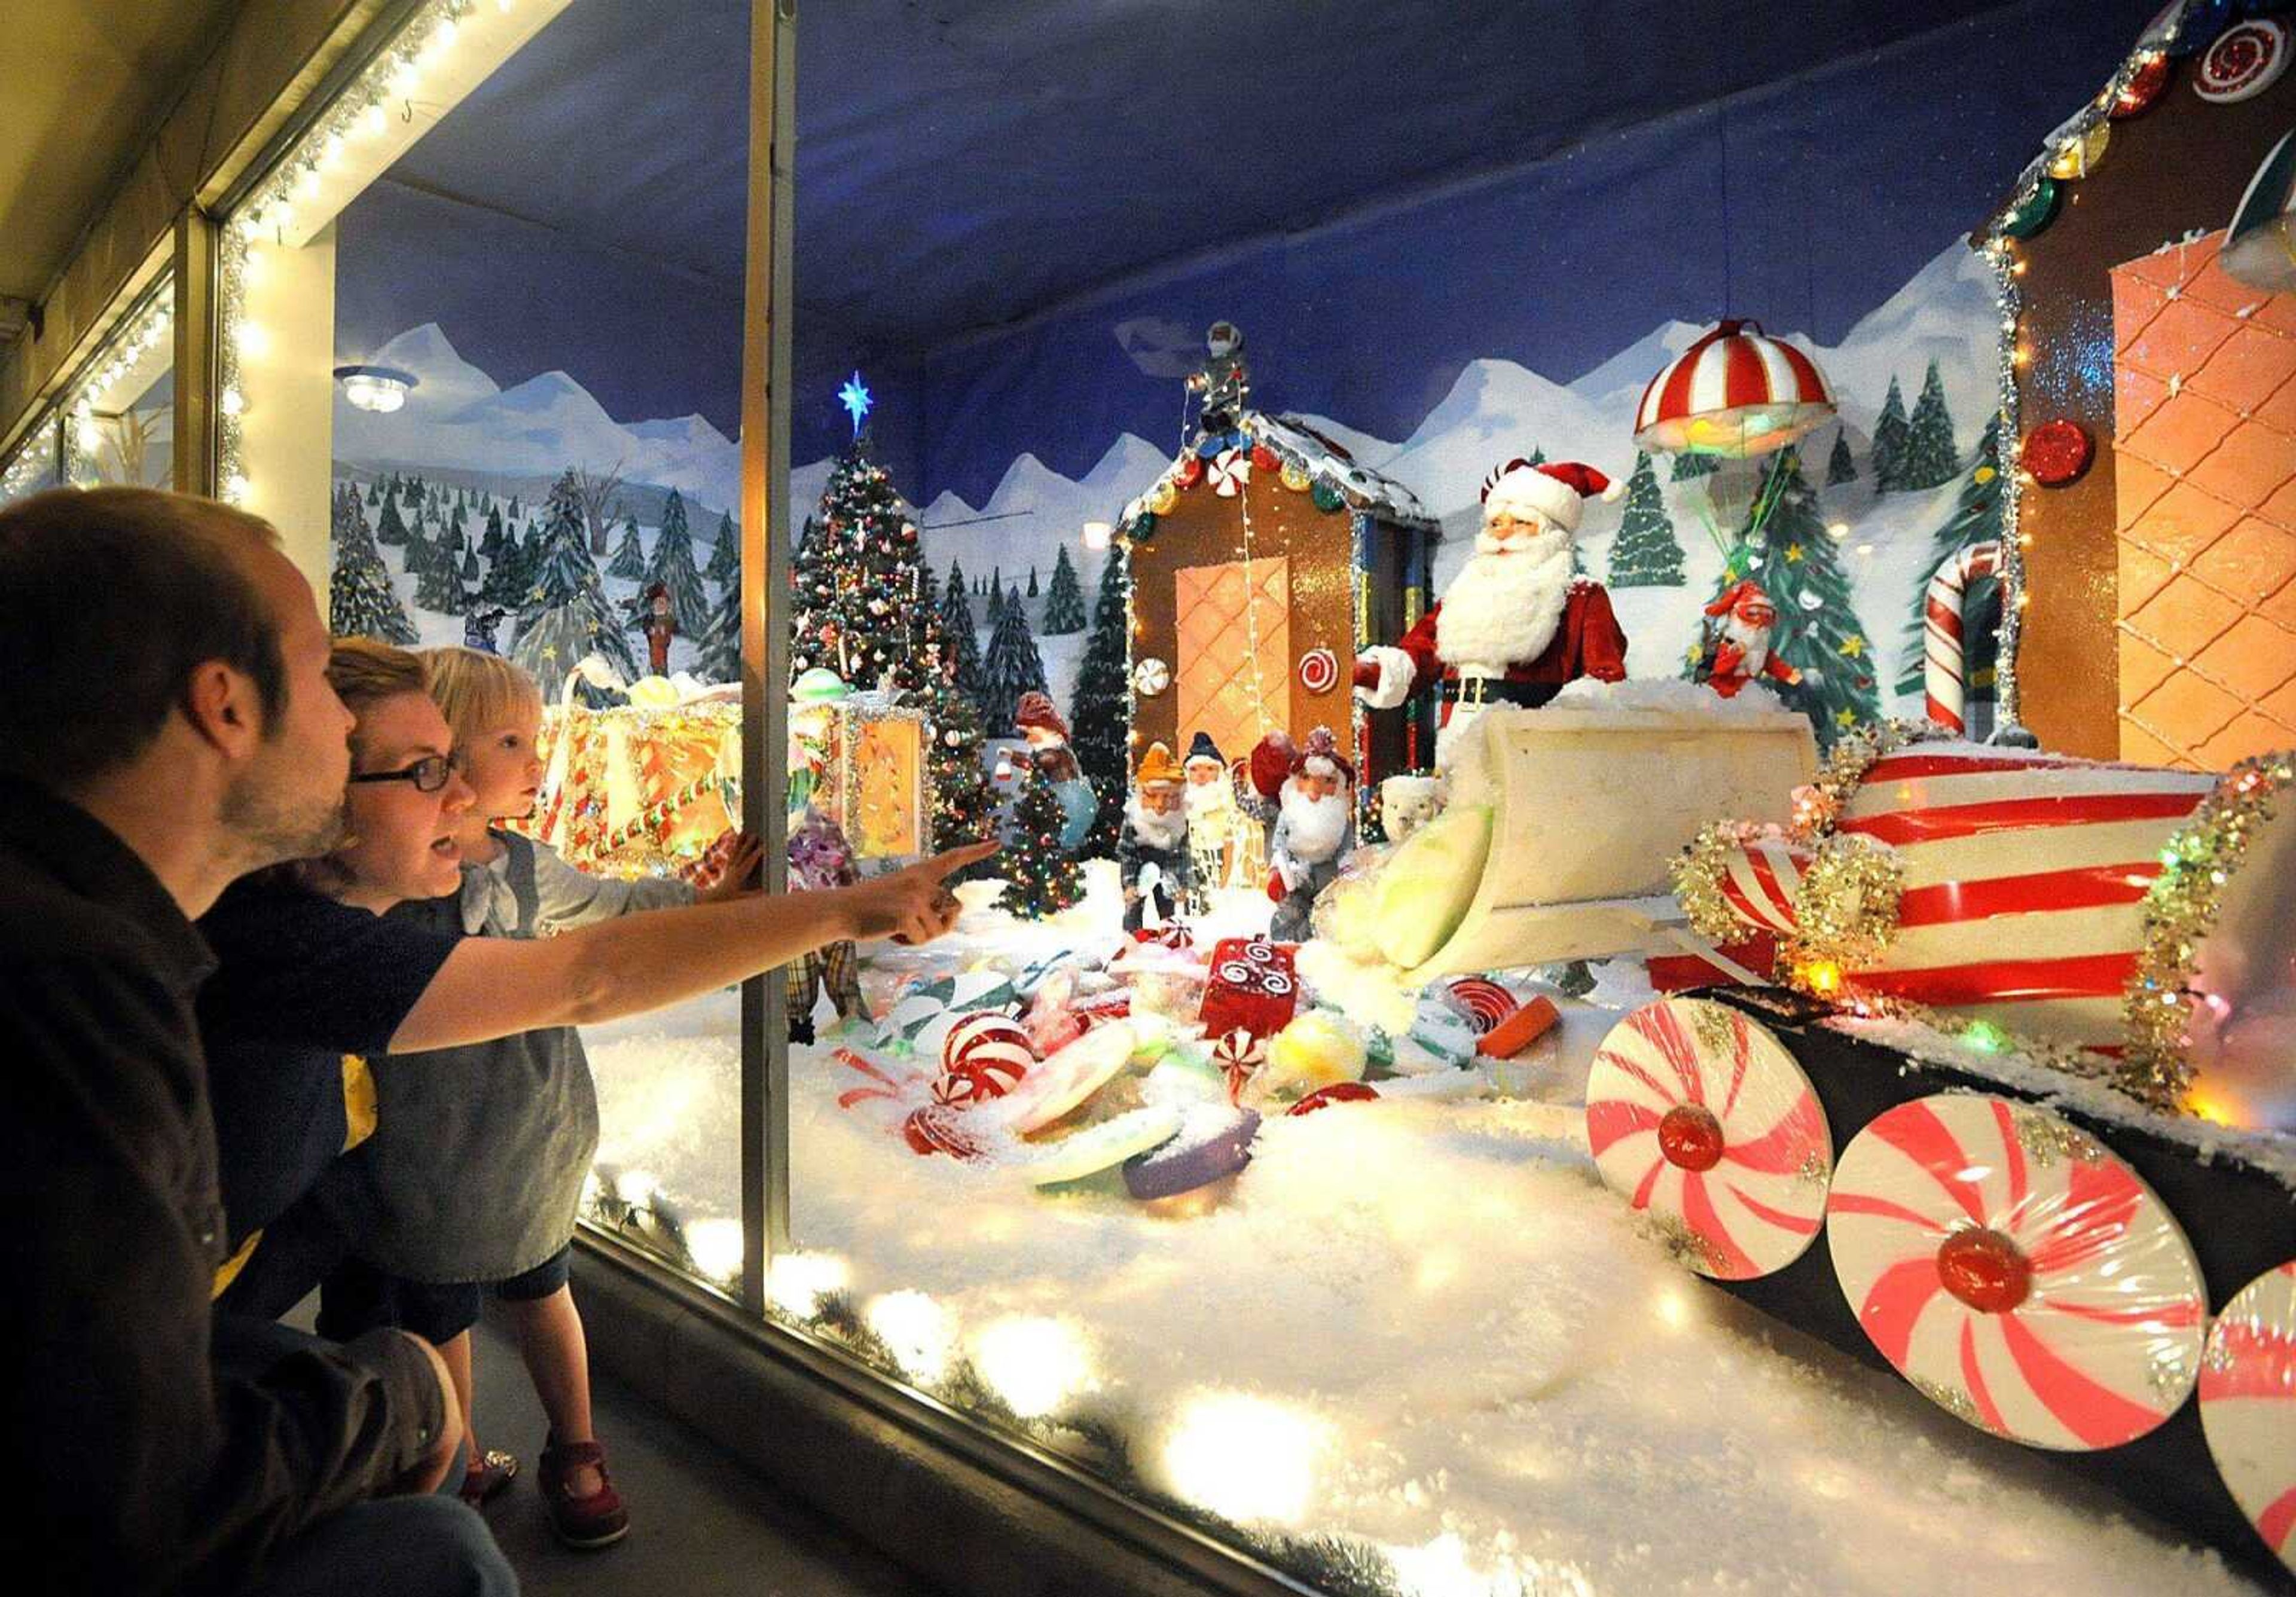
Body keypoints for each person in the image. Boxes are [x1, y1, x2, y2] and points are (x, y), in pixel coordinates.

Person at [195, 638, 984, 1363]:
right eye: (428, 768)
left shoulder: (312, 930)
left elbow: (603, 942)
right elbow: (590, 975)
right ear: (318, 791)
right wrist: (845, 910)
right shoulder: (280, 945)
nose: (462, 793)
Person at [0, 485, 512, 1597]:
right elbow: (130, 1495)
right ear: (226, 707)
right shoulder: (74, 992)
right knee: (443, 1562)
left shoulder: (110, 943)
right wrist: (400, 1399)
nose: (336, 718)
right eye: (319, 670)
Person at [307, 646, 761, 1545]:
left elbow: (618, 914)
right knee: (447, 1309)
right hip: (428, 1145)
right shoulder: (375, 884)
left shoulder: (528, 868)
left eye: (538, 737)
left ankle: (562, 1447)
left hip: (529, 1136)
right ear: (441, 756)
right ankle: (464, 1462)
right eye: (513, 739)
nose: (538, 759)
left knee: (537, 1290)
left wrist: (705, 901)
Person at [1354, 457, 1629, 767]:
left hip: (1532, 758)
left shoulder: (1581, 597)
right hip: (1456, 745)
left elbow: (1606, 681)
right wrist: (1373, 672)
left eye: (1520, 522)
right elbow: (1423, 651)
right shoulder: (1467, 591)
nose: (1502, 533)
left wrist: (1553, 728)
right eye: (1495, 523)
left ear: (1550, 530)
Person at [1267, 727, 1356, 942]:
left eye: (1326, 781)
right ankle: (1288, 947)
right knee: (1290, 917)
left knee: (1330, 922)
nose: (1315, 788)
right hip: (1296, 879)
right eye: (1307, 778)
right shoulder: (1290, 814)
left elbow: (1345, 849)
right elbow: (1279, 844)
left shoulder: (1341, 818)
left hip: (1329, 879)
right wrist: (1280, 868)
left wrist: (1346, 872)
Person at [1118, 741, 1189, 932]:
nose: (1160, 804)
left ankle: (1169, 936)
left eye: (1168, 797)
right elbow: (1127, 854)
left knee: (1168, 910)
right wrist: (1129, 883)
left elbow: (1181, 855)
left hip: (1167, 867)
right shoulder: (1134, 820)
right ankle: (1132, 937)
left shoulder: (1178, 822)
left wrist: (1179, 882)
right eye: (1152, 795)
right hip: (1139, 864)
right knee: (1133, 908)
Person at [1179, 731, 1239, 909]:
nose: (1202, 774)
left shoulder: (1223, 796)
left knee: (1214, 879)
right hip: (1190, 847)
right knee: (1192, 880)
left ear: (1219, 772)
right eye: (1195, 769)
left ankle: (1208, 904)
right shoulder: (1184, 796)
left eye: (1210, 769)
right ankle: (1194, 906)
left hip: (1216, 844)